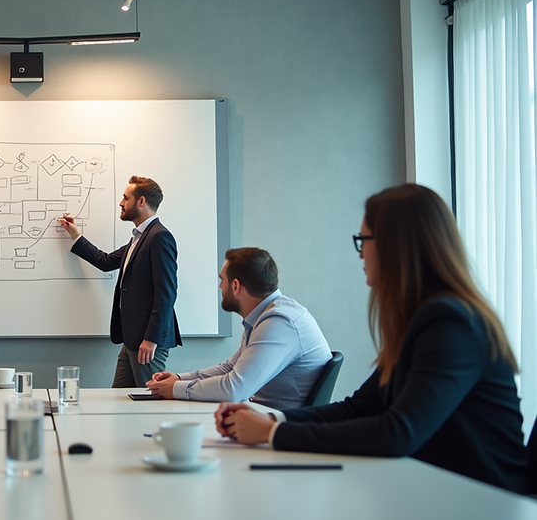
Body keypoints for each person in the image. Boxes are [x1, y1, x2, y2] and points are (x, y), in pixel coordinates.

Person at [215, 184, 528, 493]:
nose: (361, 251)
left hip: (487, 500)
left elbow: (398, 432)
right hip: (442, 492)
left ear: (397, 245)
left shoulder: (451, 322)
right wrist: (271, 417)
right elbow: (358, 408)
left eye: (364, 239)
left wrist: (272, 432)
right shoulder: (421, 319)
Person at [146, 248, 331, 410]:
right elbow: (230, 368)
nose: (219, 286)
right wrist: (178, 379)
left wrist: (175, 389)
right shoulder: (263, 316)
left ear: (235, 286)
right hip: (263, 419)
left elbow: (234, 388)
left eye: (222, 280)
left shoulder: (280, 322)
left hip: (281, 430)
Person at [58, 175, 181, 387]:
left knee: (151, 401)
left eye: (126, 198)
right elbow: (105, 261)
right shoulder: (139, 238)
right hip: (132, 338)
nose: (121, 203)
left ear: (141, 201)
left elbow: (167, 292)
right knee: (119, 399)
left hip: (147, 340)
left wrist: (151, 339)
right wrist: (76, 234)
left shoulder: (159, 237)